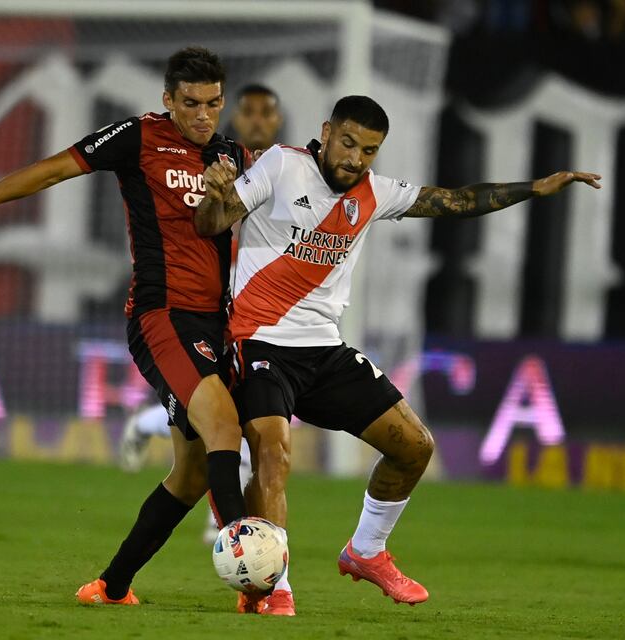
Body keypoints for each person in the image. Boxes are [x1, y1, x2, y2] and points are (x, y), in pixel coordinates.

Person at [197, 95, 601, 616]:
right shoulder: (282, 164)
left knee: (414, 446)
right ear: (327, 132)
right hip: (259, 343)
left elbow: (456, 201)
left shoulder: (375, 193)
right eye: (347, 143)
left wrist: (535, 188)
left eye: (369, 150)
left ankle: (365, 552)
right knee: (273, 452)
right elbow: (212, 224)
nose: (355, 159)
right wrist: (217, 196)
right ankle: (275, 585)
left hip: (324, 350)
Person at [0, 46, 252, 606]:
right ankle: (253, 574)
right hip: (161, 315)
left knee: (192, 475)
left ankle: (111, 587)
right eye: (190, 104)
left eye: (214, 103)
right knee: (224, 427)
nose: (203, 115)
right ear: (167, 100)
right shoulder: (138, 137)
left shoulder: (231, 155)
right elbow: (49, 171)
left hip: (217, 324)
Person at [116, 84, 284, 543]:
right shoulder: (221, 165)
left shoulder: (285, 173)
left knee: (232, 420)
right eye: (248, 112)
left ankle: (145, 425)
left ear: (277, 120)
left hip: (249, 310)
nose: (256, 121)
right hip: (198, 306)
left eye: (265, 113)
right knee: (228, 419)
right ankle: (233, 534)